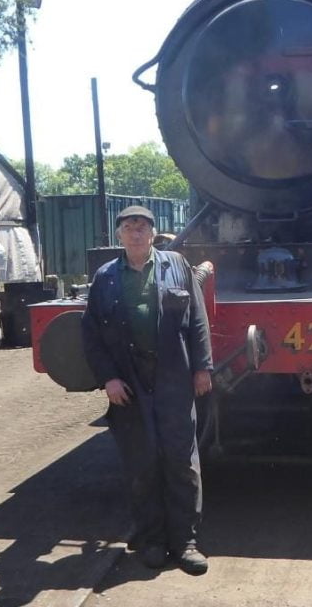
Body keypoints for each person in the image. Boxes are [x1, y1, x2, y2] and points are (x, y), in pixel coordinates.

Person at [80, 205, 214, 575]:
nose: (136, 232)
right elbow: (90, 334)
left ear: (153, 233)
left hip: (173, 376)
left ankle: (185, 541)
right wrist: (107, 378)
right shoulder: (105, 277)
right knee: (142, 463)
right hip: (129, 382)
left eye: (142, 226)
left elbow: (198, 320)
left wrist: (202, 367)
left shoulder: (177, 265)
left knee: (182, 463)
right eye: (128, 227)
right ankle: (152, 539)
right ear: (119, 235)